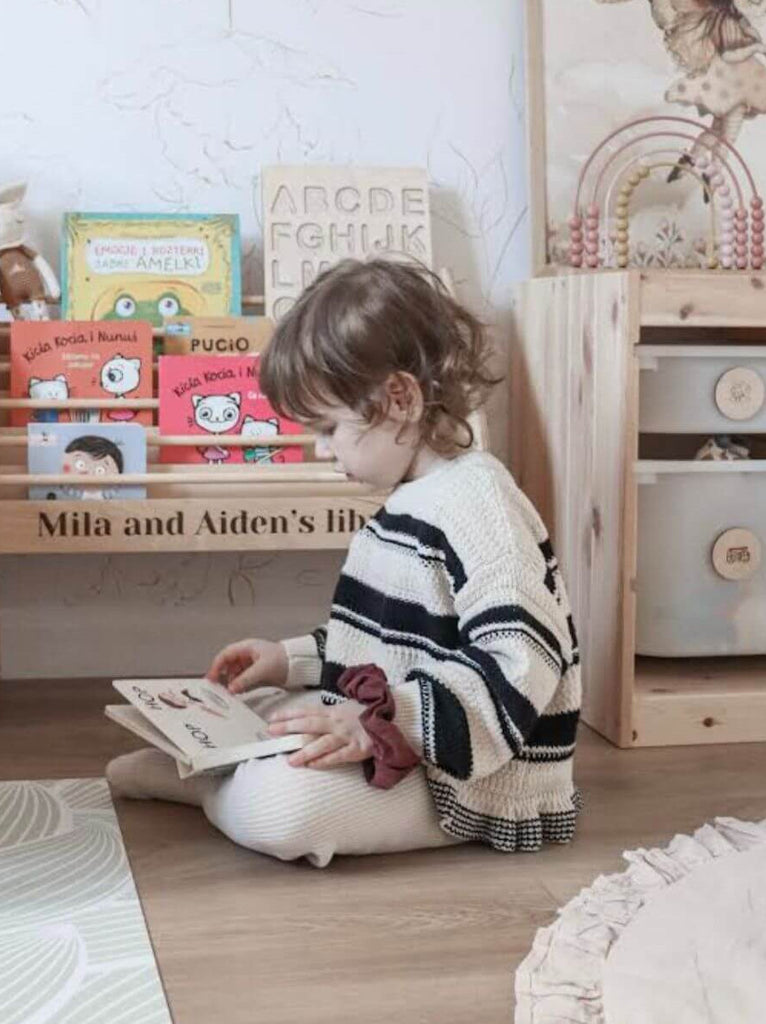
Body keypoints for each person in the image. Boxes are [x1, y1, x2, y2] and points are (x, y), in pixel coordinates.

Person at [106, 258, 581, 866]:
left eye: (328, 428)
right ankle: (217, 765)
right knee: (273, 715)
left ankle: (206, 785)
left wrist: (389, 721)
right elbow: (389, 646)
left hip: (467, 780)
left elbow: (522, 662)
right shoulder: (408, 503)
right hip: (402, 736)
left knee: (283, 806)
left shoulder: (479, 506)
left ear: (400, 399)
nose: (320, 449)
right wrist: (292, 659)